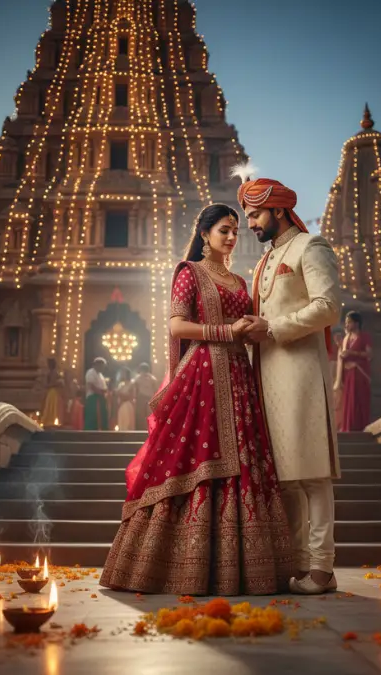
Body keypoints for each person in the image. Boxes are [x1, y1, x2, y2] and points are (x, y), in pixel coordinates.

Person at [100, 203, 292, 595]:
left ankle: (245, 569)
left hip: (240, 380)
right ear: (204, 234)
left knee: (245, 460)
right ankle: (180, 568)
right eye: (224, 229)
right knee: (196, 460)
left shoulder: (241, 281)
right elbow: (176, 326)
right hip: (203, 378)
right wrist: (225, 332)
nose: (232, 236)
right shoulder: (189, 272)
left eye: (236, 230)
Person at [237, 175, 343, 595]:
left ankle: (323, 568)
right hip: (266, 377)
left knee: (313, 473)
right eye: (246, 216)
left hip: (300, 375)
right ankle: (301, 565)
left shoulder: (309, 246)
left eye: (255, 214)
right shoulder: (265, 260)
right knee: (286, 476)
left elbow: (328, 307)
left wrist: (273, 327)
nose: (249, 224)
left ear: (278, 210)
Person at [337, 311, 372, 431]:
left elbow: (369, 355)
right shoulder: (346, 339)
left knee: (359, 399)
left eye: (349, 322)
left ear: (357, 323)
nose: (346, 325)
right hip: (348, 373)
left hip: (360, 373)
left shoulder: (364, 336)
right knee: (348, 400)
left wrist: (352, 353)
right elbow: (342, 354)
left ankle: (360, 427)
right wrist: (342, 354)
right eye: (346, 323)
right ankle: (348, 426)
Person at [131, 363, 159, 431]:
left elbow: (134, 388)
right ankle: (150, 428)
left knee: (140, 415)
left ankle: (140, 429)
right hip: (150, 397)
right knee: (149, 414)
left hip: (141, 397)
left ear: (140, 369)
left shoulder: (137, 378)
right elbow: (156, 389)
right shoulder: (153, 378)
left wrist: (134, 397)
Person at [83, 357, 110, 430]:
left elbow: (104, 387)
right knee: (93, 417)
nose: (103, 368)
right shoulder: (90, 372)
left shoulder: (100, 375)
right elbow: (90, 386)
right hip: (93, 398)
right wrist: (101, 392)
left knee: (102, 417)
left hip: (101, 397)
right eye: (102, 366)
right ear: (97, 365)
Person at [39, 358, 65, 427]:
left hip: (52, 392)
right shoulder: (53, 373)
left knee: (51, 407)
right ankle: (50, 421)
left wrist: (54, 383)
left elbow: (49, 384)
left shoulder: (53, 373)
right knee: (51, 407)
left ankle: (50, 421)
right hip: (52, 392)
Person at [329, 327, 346, 428]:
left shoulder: (344, 349)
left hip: (341, 383)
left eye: (339, 337)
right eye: (335, 338)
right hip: (334, 383)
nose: (337, 340)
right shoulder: (331, 352)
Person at [114, 366, 136, 431]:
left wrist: (121, 394)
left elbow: (130, 396)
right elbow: (116, 394)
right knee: (121, 423)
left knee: (127, 423)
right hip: (121, 405)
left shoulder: (132, 384)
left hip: (127, 405)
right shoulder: (121, 384)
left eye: (123, 374)